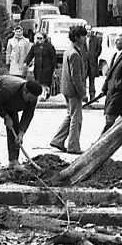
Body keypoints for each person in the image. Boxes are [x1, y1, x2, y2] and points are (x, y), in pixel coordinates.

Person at [0, 75, 42, 170]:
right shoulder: (9, 89)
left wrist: (21, 133)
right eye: (29, 98)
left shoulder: (32, 98)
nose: (30, 101)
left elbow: (27, 116)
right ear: (25, 91)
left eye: (32, 99)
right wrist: (6, 117)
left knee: (15, 128)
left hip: (10, 101)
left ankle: (13, 160)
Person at [50, 25, 88, 154]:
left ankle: (57, 140)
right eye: (83, 36)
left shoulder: (69, 50)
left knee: (70, 115)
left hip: (66, 89)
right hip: (73, 91)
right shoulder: (74, 54)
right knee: (76, 119)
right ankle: (73, 146)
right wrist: (82, 92)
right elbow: (76, 76)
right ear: (77, 37)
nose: (85, 38)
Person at [25, 32, 57, 100]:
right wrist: (26, 62)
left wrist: (55, 68)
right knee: (39, 82)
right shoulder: (34, 46)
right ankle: (46, 92)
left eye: (40, 38)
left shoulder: (50, 47)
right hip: (38, 67)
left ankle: (43, 95)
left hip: (47, 68)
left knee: (44, 83)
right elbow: (30, 55)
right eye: (37, 38)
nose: (39, 40)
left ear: (44, 38)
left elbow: (53, 58)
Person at [85, 24, 102, 100]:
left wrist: (95, 55)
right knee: (83, 80)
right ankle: (83, 96)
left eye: (89, 29)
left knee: (92, 81)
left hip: (92, 63)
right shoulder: (82, 39)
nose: (88, 31)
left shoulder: (95, 39)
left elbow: (99, 49)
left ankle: (92, 96)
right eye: (87, 29)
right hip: (84, 62)